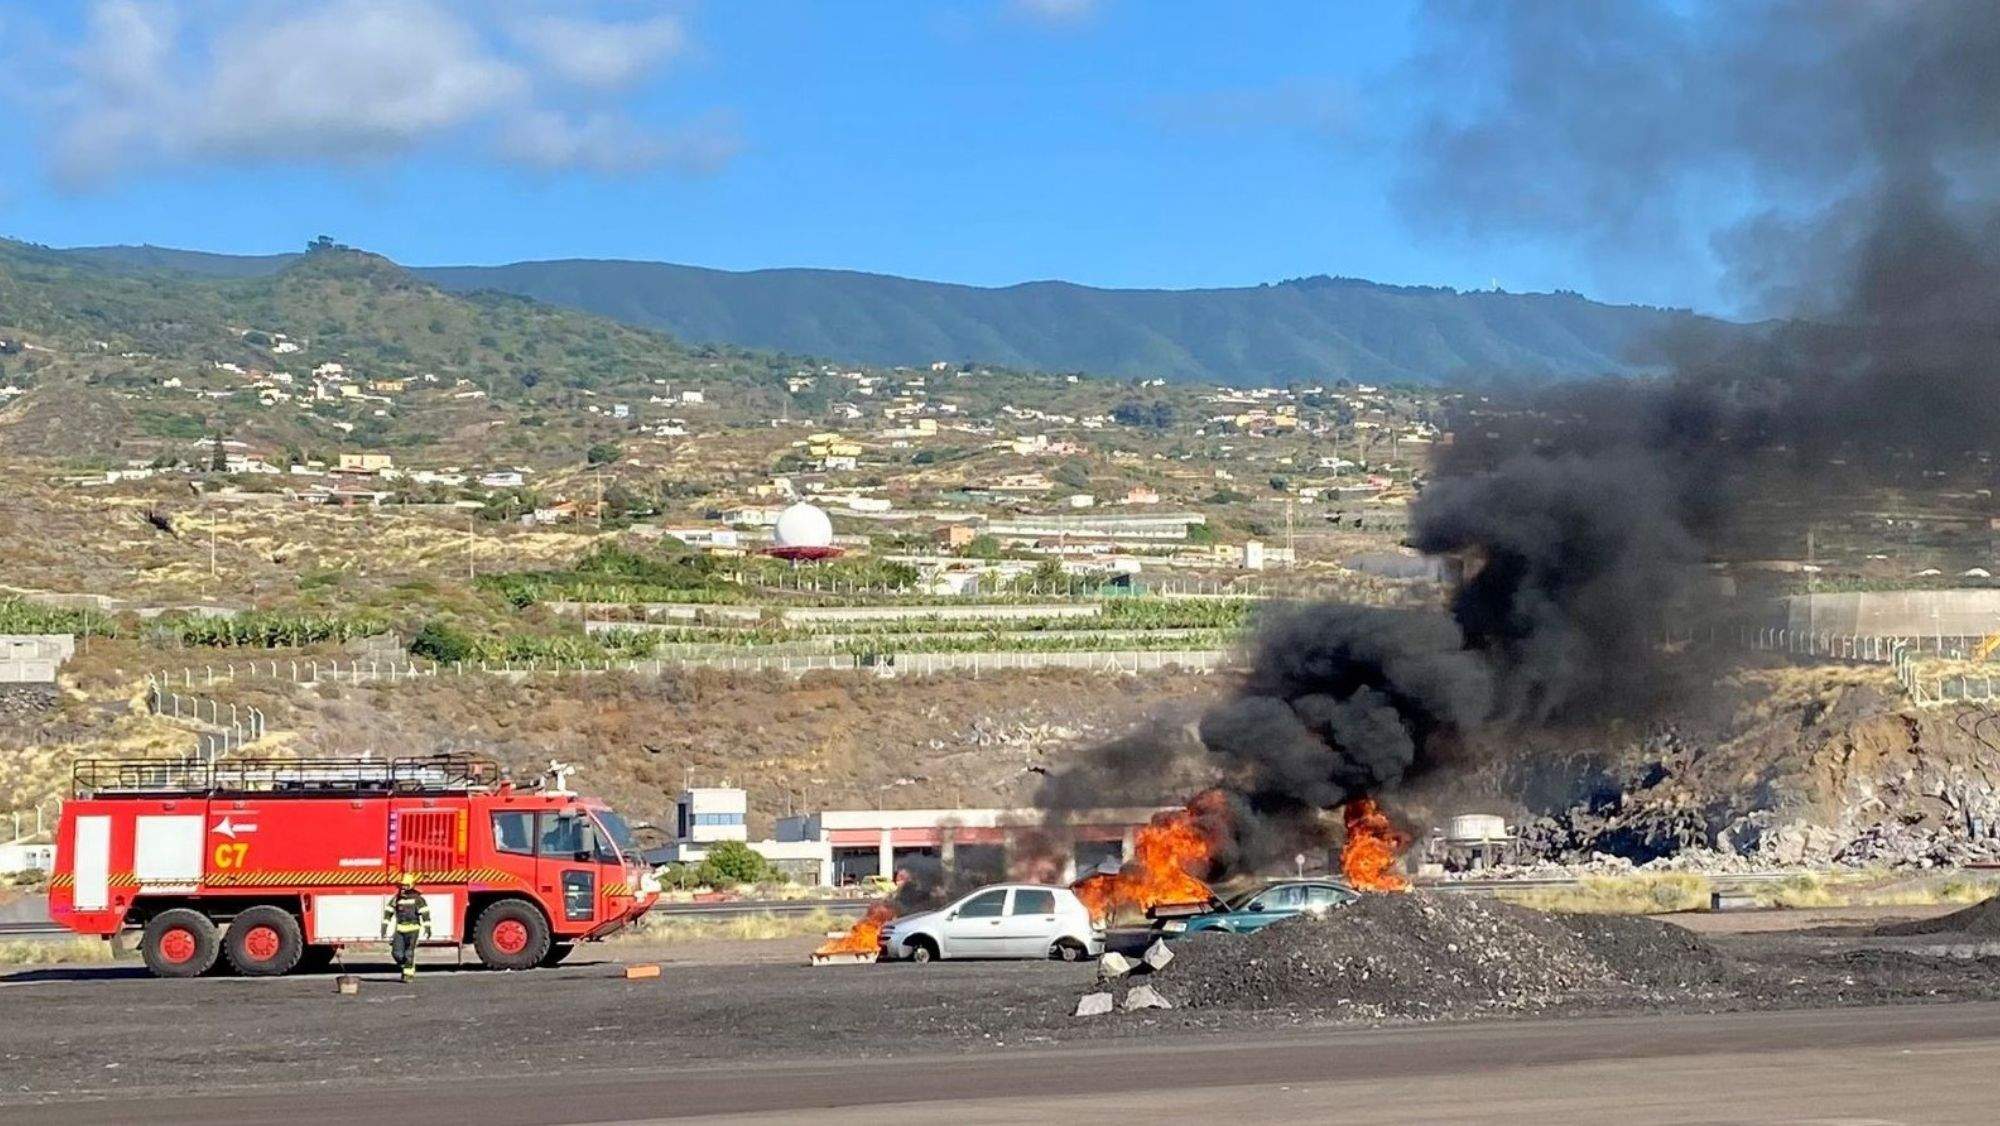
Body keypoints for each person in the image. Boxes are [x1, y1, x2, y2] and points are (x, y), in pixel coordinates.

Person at [382, 873, 432, 981]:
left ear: (411, 885)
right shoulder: (397, 898)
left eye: (406, 885)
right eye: (402, 885)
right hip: (400, 929)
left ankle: (408, 975)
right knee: (397, 953)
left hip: (413, 929)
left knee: (409, 952)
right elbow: (388, 911)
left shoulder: (417, 899)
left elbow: (425, 913)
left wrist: (427, 928)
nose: (403, 887)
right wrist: (384, 927)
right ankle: (406, 965)